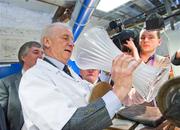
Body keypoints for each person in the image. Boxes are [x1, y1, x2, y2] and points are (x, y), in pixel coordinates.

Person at [18, 22, 141, 130]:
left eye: (72, 40)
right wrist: (120, 89)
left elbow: (96, 96)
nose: (71, 44)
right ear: (47, 42)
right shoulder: (33, 78)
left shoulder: (70, 73)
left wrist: (131, 89)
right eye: (65, 38)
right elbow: (69, 125)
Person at [0, 41, 43, 130]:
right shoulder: (6, 83)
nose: (41, 56)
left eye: (42, 53)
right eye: (36, 52)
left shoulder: (50, 82)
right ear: (23, 57)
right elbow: (1, 118)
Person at [122, 29, 171, 106]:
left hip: (151, 111)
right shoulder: (129, 59)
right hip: (126, 108)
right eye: (142, 37)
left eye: (151, 37)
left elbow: (147, 94)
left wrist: (134, 51)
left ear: (159, 42)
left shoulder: (163, 62)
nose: (146, 40)